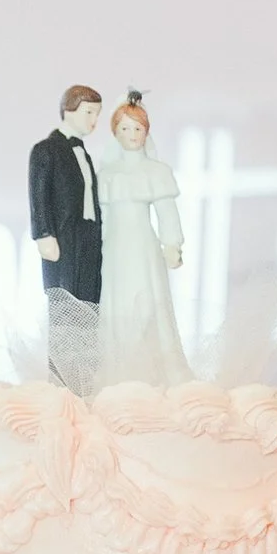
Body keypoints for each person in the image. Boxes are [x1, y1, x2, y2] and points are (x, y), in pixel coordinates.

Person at [94, 92, 191, 385]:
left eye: (137, 128)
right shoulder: (108, 174)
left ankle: (157, 372)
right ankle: (116, 370)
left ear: (146, 132)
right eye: (125, 128)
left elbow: (166, 211)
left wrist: (171, 243)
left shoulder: (156, 172)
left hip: (143, 247)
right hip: (114, 249)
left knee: (148, 300)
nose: (132, 134)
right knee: (117, 303)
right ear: (115, 132)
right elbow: (104, 216)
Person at [31, 82, 107, 381]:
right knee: (65, 310)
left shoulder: (84, 154)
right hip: (62, 240)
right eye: (89, 112)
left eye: (97, 114)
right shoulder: (46, 150)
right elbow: (38, 195)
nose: (93, 121)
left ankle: (85, 378)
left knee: (89, 307)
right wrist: (43, 234)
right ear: (69, 110)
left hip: (88, 238)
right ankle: (62, 380)